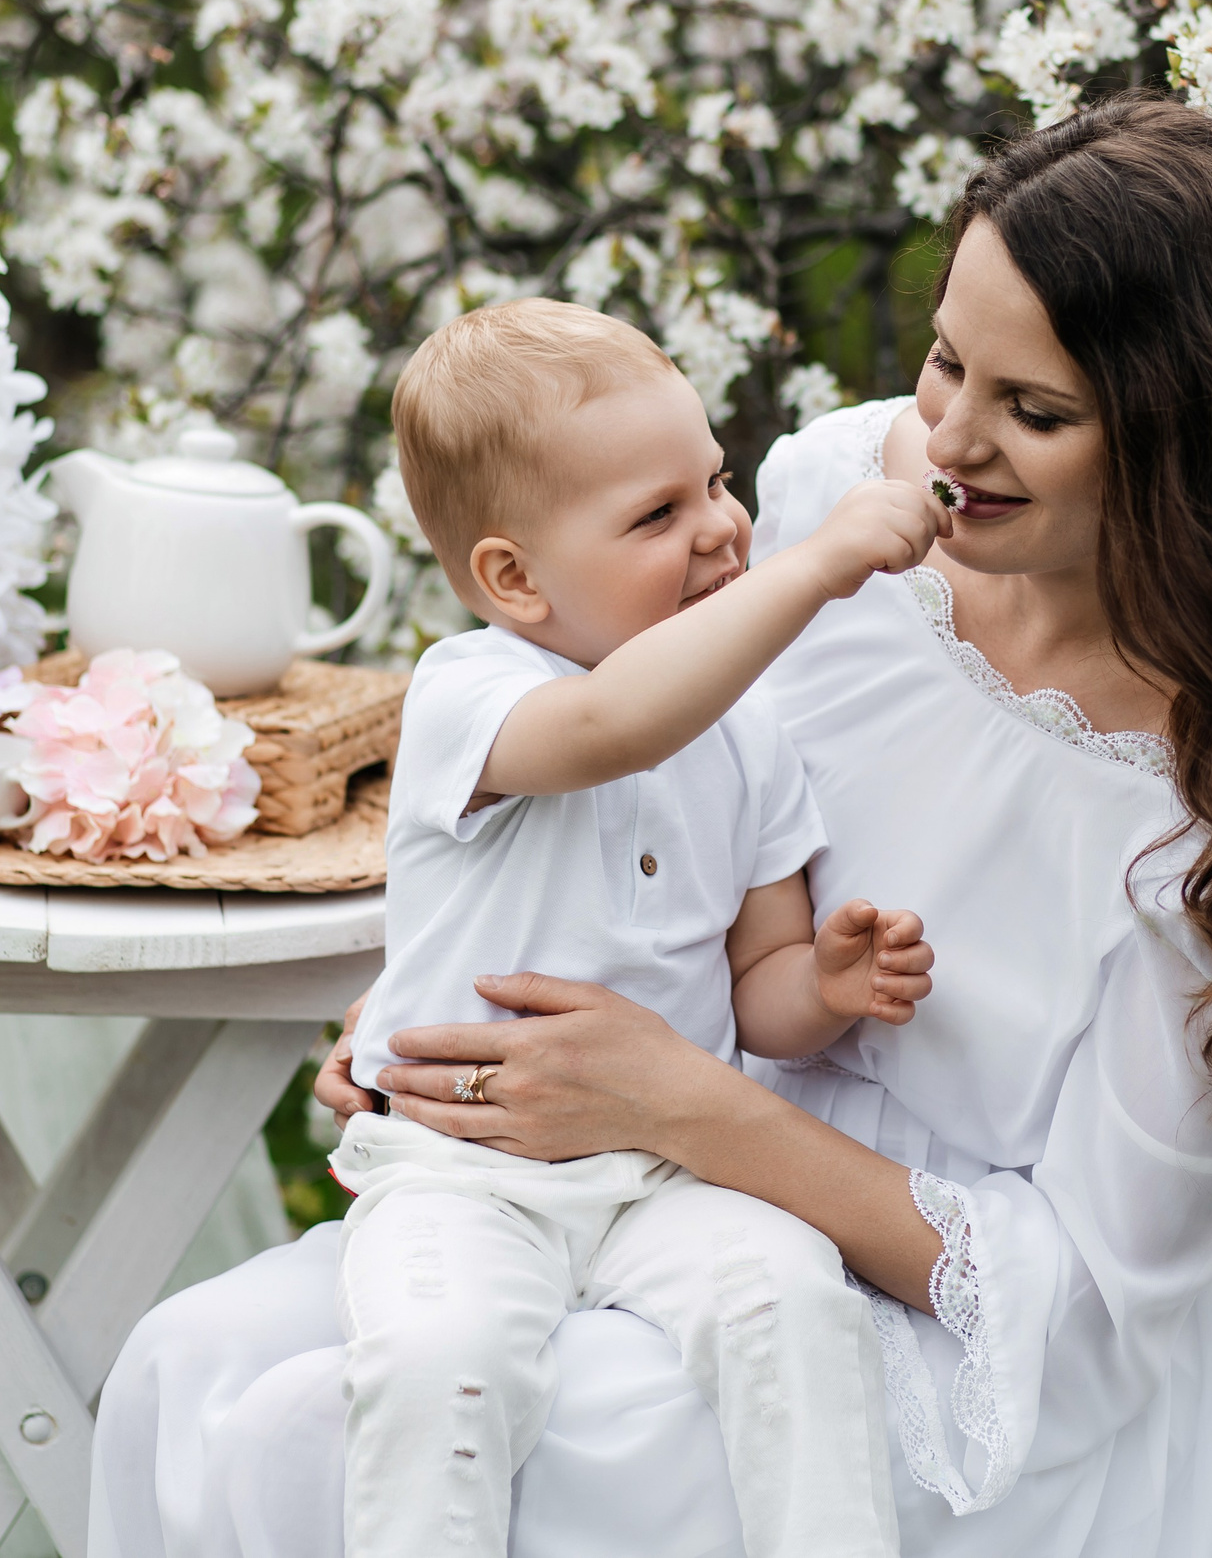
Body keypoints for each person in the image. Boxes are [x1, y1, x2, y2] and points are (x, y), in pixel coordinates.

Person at [89, 96, 1212, 1558]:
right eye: (945, 361)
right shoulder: (830, 509)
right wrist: (467, 1009)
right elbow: (640, 785)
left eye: (1035, 412)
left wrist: (670, 1099)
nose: (951, 439)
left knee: (311, 1439)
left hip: (955, 1332)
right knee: (185, 1364)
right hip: (633, 1172)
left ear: (1197, 444)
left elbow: (1087, 1318)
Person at [332, 298, 949, 1558]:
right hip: (466, 1170)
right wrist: (813, 566)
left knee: (794, 1301)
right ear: (514, 580)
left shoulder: (750, 734)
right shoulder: (475, 692)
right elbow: (612, 726)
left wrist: (825, 985)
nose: (719, 525)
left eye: (715, 480)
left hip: (670, 1169)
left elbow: (757, 983)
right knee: (436, 1361)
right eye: (656, 514)